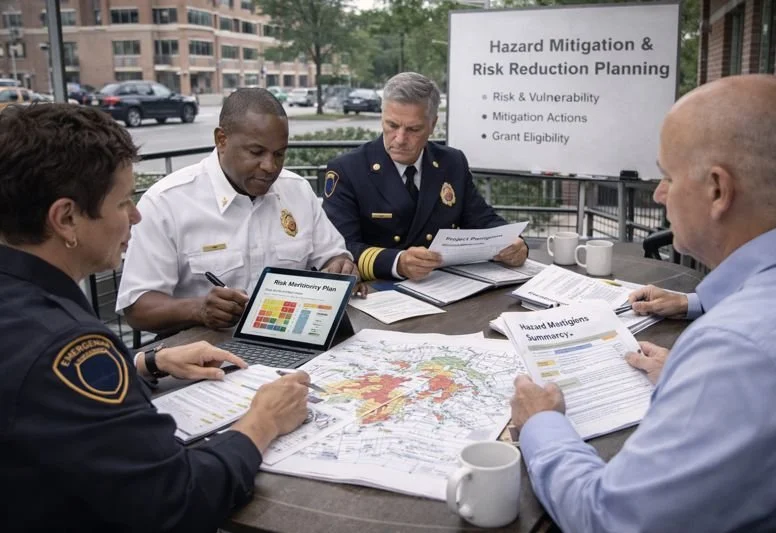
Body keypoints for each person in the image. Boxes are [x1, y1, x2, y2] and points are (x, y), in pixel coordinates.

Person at [0, 104, 312, 532]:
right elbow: (176, 500)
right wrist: (263, 421)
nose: (136, 215)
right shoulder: (66, 344)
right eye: (123, 201)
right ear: (66, 218)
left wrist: (145, 363)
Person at [511, 74, 776, 532]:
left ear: (718, 191)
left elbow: (610, 520)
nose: (660, 195)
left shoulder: (739, 352)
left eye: (667, 176)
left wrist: (541, 424)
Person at [116, 88, 361, 335]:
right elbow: (137, 308)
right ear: (222, 140)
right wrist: (197, 309)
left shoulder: (297, 191)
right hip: (203, 354)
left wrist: (340, 266)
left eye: (279, 154)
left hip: (295, 342)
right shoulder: (166, 203)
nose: (270, 166)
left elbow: (333, 256)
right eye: (256, 152)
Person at [322, 72, 528, 281]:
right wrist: (398, 262)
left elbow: (482, 219)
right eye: (392, 125)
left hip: (445, 287)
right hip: (379, 290)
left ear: (432, 124)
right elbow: (341, 248)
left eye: (413, 129)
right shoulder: (348, 169)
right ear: (382, 117)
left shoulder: (452, 162)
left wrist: (514, 243)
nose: (400, 139)